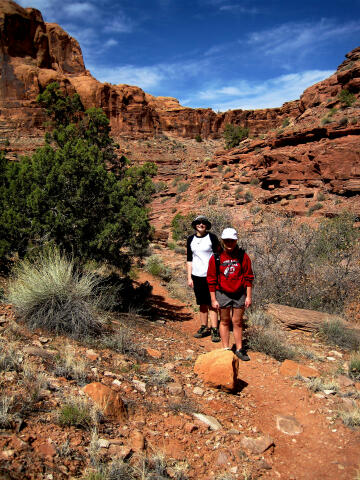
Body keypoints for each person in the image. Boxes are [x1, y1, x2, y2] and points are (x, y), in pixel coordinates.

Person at [207, 227, 254, 361]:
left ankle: (239, 349)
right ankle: (226, 349)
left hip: (239, 293)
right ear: (222, 241)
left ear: (236, 240)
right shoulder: (216, 257)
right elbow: (211, 279)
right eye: (226, 240)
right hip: (222, 293)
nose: (229, 243)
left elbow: (248, 277)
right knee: (225, 321)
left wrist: (249, 296)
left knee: (237, 322)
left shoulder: (242, 256)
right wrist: (213, 299)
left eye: (232, 240)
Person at [187, 215, 220, 342]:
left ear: (207, 225)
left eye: (203, 223)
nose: (201, 225)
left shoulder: (212, 237)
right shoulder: (190, 239)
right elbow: (189, 259)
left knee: (212, 303)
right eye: (198, 223)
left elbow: (218, 255)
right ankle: (204, 326)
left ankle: (214, 329)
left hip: (211, 276)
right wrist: (189, 277)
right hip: (197, 276)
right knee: (202, 303)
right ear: (195, 224)